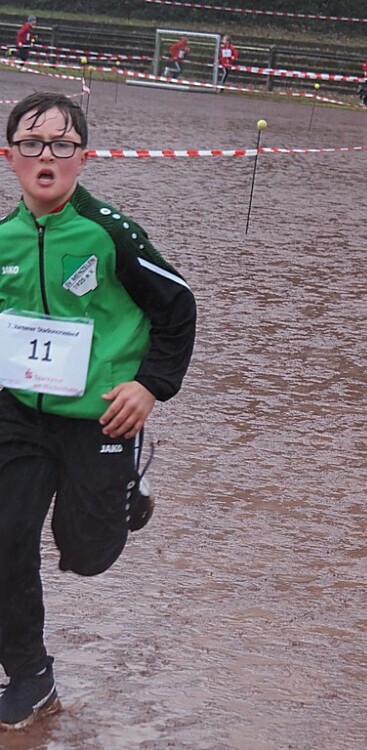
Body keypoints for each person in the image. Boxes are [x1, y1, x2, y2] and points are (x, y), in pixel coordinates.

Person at [0, 92, 197, 730]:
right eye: (32, 143)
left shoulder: (111, 232)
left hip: (101, 415)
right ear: (9, 156)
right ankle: (30, 676)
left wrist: (149, 386)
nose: (46, 155)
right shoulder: (1, 239)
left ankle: (124, 490)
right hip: (19, 414)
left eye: (62, 144)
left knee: (85, 553)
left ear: (82, 158)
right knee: (5, 539)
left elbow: (178, 307)